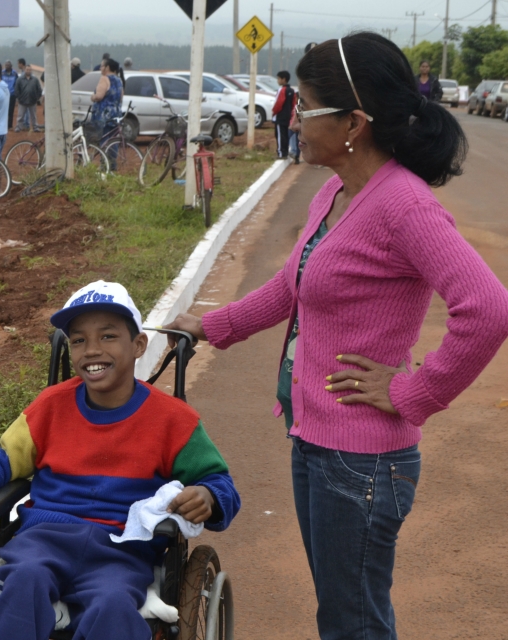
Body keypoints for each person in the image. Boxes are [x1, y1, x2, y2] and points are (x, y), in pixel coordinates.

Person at [165, 32, 508, 640]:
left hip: (364, 459)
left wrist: (414, 393)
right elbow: (293, 285)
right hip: (316, 441)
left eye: (304, 105)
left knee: (353, 623)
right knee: (341, 611)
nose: (291, 117)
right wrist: (214, 325)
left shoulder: (404, 205)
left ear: (354, 122)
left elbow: (486, 307)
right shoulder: (337, 190)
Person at [0, 280, 240, 640]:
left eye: (108, 336)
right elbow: (5, 459)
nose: (91, 350)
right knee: (23, 580)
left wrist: (207, 494)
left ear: (138, 344)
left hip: (120, 549)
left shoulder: (174, 420)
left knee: (113, 607)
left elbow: (222, 485)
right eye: (78, 340)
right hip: (44, 538)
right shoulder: (49, 407)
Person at [90, 58, 123, 144]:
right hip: (116, 114)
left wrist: (93, 97)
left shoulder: (104, 78)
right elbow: (121, 98)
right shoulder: (119, 80)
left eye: (101, 66)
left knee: (104, 138)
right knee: (113, 139)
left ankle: (104, 157)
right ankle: (112, 157)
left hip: (104, 115)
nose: (100, 68)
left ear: (107, 67)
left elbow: (99, 96)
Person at [272, 70, 295, 159]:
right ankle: (285, 152)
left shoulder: (282, 90)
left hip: (280, 116)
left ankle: (281, 153)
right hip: (287, 116)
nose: (278, 81)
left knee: (280, 136)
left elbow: (278, 103)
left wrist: (274, 112)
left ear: (283, 79)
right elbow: (293, 104)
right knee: (285, 135)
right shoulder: (292, 90)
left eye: (278, 79)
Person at [13, 65, 43, 133]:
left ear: (31, 70)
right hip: (22, 101)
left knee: (34, 116)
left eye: (29, 70)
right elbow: (16, 90)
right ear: (25, 70)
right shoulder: (20, 79)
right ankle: (18, 127)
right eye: (27, 69)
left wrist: (37, 98)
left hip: (32, 101)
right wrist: (19, 98)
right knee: (20, 116)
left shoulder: (35, 80)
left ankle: (35, 127)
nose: (28, 71)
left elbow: (39, 90)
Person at [1, 60, 18, 129]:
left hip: (12, 94)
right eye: (6, 65)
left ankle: (10, 125)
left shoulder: (14, 74)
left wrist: (15, 91)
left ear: (11, 66)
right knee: (3, 110)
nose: (7, 66)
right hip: (4, 94)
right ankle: (3, 125)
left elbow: (17, 83)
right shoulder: (2, 73)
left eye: (8, 65)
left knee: (11, 111)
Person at [288, 85, 300, 164]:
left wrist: (291, 125)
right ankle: (296, 156)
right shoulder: (296, 106)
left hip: (294, 126)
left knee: (291, 138)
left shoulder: (297, 107)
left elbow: (295, 117)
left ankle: (293, 152)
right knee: (296, 140)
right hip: (296, 126)